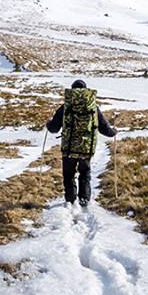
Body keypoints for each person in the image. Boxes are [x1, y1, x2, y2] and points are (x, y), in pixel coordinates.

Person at [46, 78, 116, 207]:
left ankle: (70, 200)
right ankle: (84, 199)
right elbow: (104, 128)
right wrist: (113, 132)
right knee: (85, 173)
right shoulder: (93, 107)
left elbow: (54, 129)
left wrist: (48, 124)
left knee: (68, 174)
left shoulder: (65, 107)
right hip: (86, 148)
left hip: (68, 148)